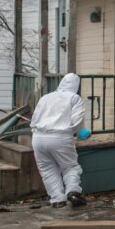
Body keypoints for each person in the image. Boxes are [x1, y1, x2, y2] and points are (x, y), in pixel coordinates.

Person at [29, 73, 92, 208]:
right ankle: (73, 192)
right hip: (60, 137)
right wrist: (81, 132)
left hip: (38, 138)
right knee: (69, 166)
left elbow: (34, 119)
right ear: (76, 86)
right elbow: (77, 120)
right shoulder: (74, 98)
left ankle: (57, 199)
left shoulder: (45, 97)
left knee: (47, 169)